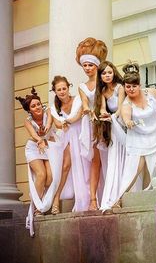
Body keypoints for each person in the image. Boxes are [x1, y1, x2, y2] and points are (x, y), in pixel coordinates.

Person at [16, 87, 63, 236]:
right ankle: (37, 207)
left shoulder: (47, 110)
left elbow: (49, 123)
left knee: (50, 177)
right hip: (34, 148)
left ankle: (42, 199)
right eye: (33, 106)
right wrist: (40, 139)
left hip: (47, 147)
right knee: (41, 175)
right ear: (29, 110)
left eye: (38, 104)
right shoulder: (27, 121)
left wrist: (46, 131)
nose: (37, 107)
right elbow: (33, 135)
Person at [117, 62, 156, 203]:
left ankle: (154, 194)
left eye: (134, 86)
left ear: (140, 85)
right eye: (128, 86)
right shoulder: (126, 103)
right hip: (138, 139)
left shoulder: (151, 93)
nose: (131, 89)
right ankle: (120, 198)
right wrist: (128, 122)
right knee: (135, 168)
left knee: (155, 167)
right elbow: (126, 117)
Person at [50, 75, 91, 212]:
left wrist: (67, 121)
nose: (62, 91)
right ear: (54, 91)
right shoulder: (54, 108)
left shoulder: (78, 99)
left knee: (86, 164)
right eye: (59, 89)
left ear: (68, 88)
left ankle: (90, 197)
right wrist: (63, 124)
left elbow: (79, 115)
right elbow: (57, 124)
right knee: (66, 166)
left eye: (64, 88)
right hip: (67, 138)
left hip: (81, 134)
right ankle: (57, 198)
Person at [76, 37, 108, 210]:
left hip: (104, 123)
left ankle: (110, 196)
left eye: (90, 65)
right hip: (90, 125)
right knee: (95, 161)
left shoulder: (104, 82)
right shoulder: (82, 86)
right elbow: (85, 103)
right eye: (85, 66)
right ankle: (93, 199)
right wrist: (88, 110)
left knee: (108, 160)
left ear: (97, 65)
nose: (87, 68)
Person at [93, 61, 126, 211]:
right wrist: (103, 115)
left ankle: (125, 192)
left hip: (123, 125)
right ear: (100, 76)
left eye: (109, 72)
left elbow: (120, 109)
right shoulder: (102, 91)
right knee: (114, 160)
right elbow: (102, 109)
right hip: (112, 126)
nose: (107, 75)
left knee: (125, 159)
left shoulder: (120, 88)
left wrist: (112, 117)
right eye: (104, 73)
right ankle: (114, 194)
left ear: (114, 73)